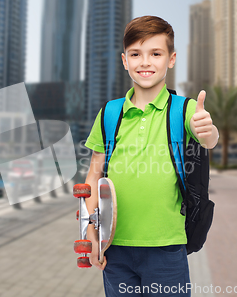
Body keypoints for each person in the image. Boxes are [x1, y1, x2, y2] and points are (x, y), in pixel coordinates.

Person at [83, 16, 219, 296]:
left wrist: (207, 130)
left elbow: (209, 140)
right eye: (136, 54)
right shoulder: (109, 113)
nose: (145, 62)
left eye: (156, 53)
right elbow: (93, 177)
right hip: (115, 248)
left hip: (167, 248)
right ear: (124, 60)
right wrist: (90, 234)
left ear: (171, 59)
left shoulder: (184, 109)